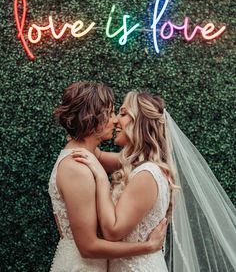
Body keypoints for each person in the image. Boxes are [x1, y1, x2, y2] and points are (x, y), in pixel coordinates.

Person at [72, 91, 236, 272]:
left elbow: (112, 231)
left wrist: (102, 178)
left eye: (123, 113)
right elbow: (99, 155)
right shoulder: (137, 165)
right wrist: (80, 128)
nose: (116, 120)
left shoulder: (147, 175)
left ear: (140, 122)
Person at [48, 82, 167, 272]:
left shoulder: (89, 155)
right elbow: (88, 247)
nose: (114, 120)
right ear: (93, 119)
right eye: (111, 113)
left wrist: (147, 142)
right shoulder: (78, 167)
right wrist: (148, 247)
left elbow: (128, 160)